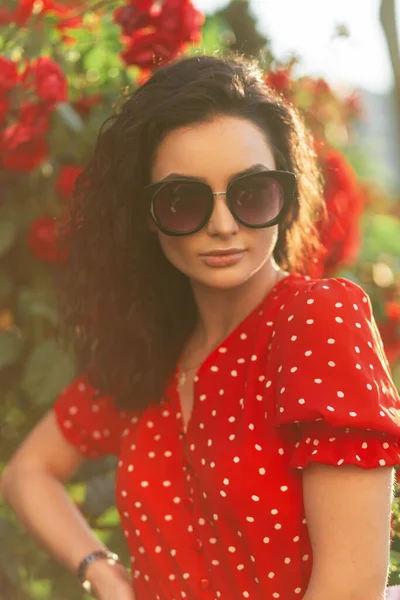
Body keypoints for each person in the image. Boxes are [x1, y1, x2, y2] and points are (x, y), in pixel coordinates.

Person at [1, 52, 400, 600]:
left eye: (252, 193)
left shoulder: (313, 321)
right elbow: (28, 473)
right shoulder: (152, 352)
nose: (222, 225)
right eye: (184, 200)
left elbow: (349, 589)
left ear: (284, 199)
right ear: (146, 213)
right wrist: (102, 571)